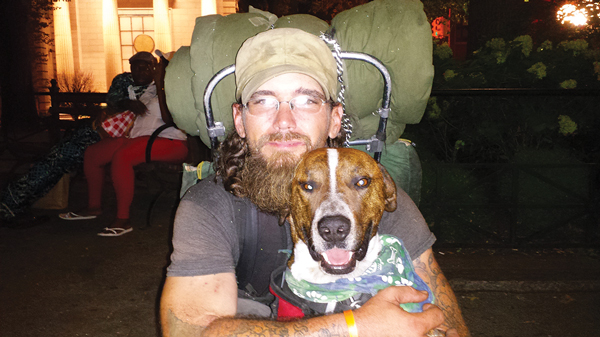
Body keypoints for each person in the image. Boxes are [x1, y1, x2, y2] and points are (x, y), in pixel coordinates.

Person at [160, 28, 469, 337]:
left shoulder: (372, 194)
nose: (284, 121)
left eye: (306, 101)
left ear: (335, 119)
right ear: (240, 120)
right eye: (264, 102)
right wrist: (354, 327)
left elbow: (449, 325)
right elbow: (189, 332)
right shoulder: (210, 207)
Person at [59, 51, 188, 237]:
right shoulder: (151, 89)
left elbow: (172, 119)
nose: (159, 67)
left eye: (162, 64)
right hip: (140, 140)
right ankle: (93, 207)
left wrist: (161, 85)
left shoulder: (176, 88)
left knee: (123, 156)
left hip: (171, 142)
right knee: (94, 153)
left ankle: (123, 219)